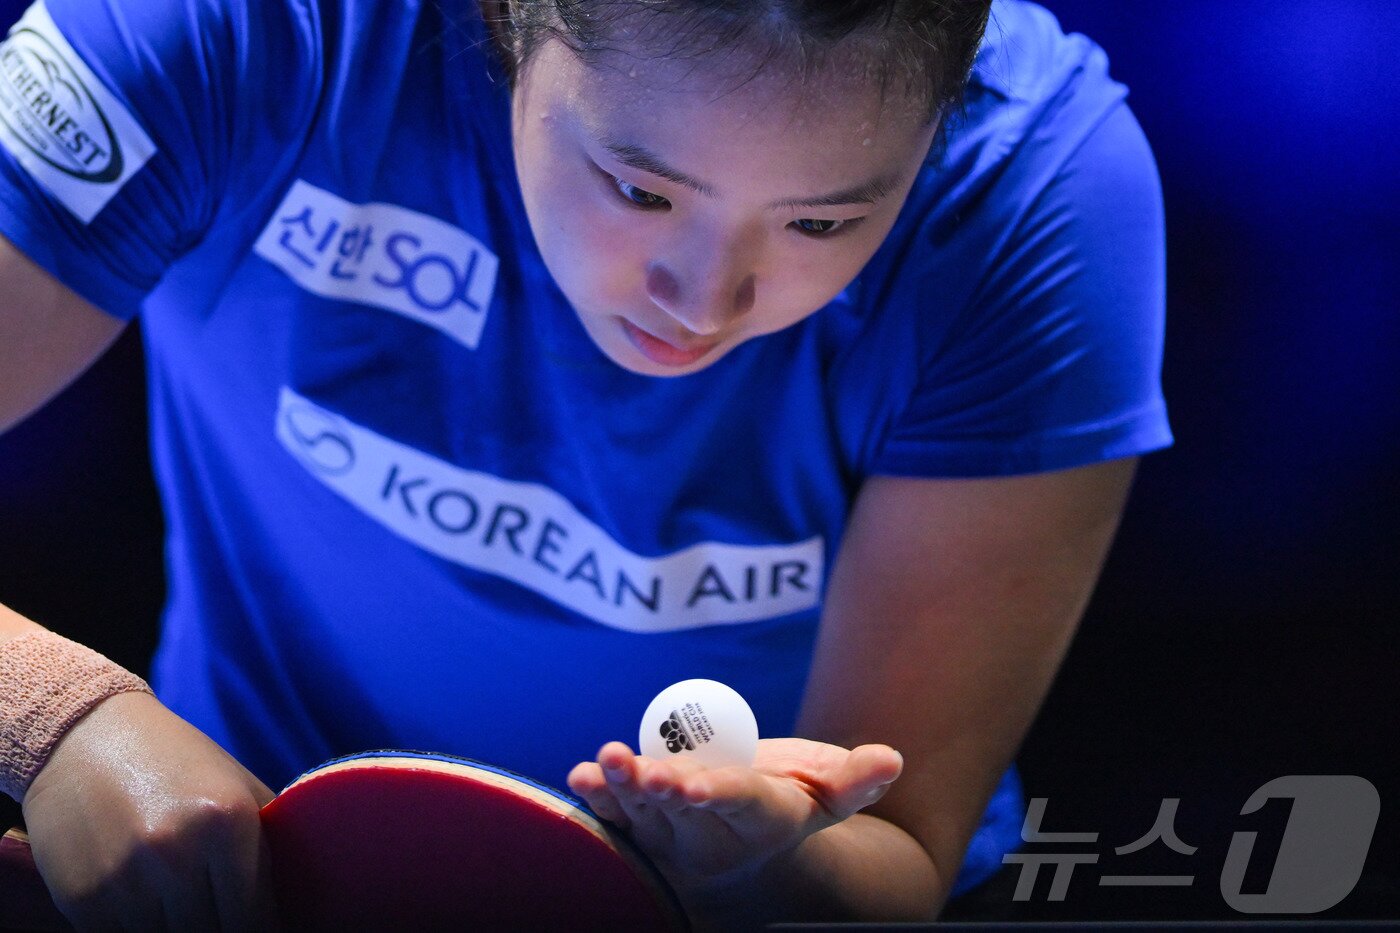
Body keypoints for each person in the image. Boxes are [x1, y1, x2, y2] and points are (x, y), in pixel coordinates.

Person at [0, 0, 1170, 927]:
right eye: (640, 186)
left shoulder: (1041, 192)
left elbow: (898, 859)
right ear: (515, 19)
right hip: (236, 886)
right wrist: (60, 723)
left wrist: (759, 864)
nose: (703, 299)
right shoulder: (235, 26)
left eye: (821, 223)